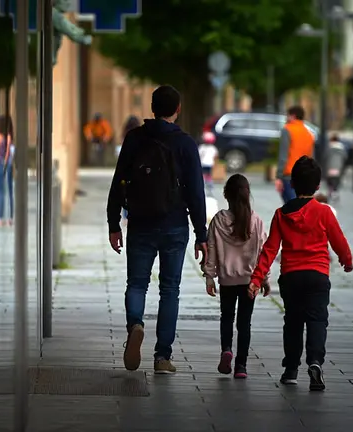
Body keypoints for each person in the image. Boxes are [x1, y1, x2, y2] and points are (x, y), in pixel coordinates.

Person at [106, 85, 207, 374]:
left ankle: (135, 324)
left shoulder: (135, 138)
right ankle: (162, 357)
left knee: (136, 284)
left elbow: (119, 182)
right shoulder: (185, 143)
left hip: (140, 222)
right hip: (174, 224)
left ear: (152, 108)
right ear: (177, 110)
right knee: (169, 289)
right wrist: (202, 234)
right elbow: (196, 192)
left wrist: (114, 223)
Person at [249, 156, 353, 392]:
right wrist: (346, 262)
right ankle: (315, 362)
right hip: (317, 275)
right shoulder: (324, 212)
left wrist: (257, 279)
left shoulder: (281, 214)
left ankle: (291, 369)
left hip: (291, 277)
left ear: (292, 184)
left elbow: (270, 249)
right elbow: (339, 241)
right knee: (317, 320)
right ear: (318, 186)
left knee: (293, 323)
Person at [203, 174, 268, 379]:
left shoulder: (219, 220)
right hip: (250, 281)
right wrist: (263, 279)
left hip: (227, 281)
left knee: (227, 317)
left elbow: (211, 248)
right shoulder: (256, 221)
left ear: (226, 195)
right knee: (244, 323)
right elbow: (262, 251)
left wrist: (209, 276)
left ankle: (226, 350)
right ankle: (241, 366)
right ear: (248, 194)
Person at [275, 106, 315, 204]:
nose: (286, 118)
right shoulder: (308, 133)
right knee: (300, 205)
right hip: (304, 175)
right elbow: (311, 157)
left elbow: (283, 155)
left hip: (289, 175)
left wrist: (279, 176)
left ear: (293, 116)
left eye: (287, 115)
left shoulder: (287, 130)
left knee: (291, 206)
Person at [324, 135, 347, 202]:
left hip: (329, 167)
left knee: (330, 180)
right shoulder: (342, 149)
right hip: (339, 167)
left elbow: (325, 157)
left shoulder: (329, 148)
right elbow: (345, 158)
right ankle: (335, 191)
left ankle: (331, 191)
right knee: (336, 180)